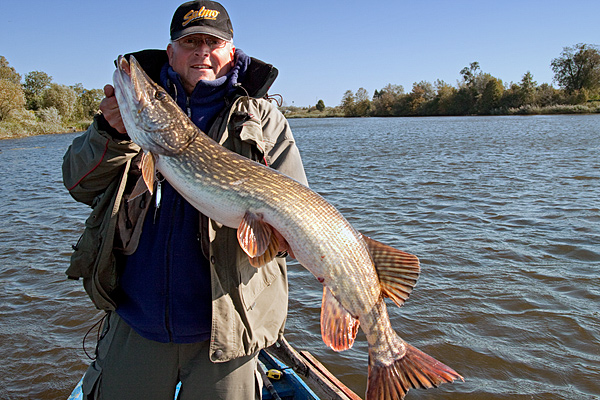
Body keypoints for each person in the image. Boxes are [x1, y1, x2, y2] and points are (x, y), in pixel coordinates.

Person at [62, 1, 307, 399]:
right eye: (190, 41)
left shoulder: (263, 118)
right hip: (136, 322)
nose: (202, 52)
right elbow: (79, 185)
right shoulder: (126, 123)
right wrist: (108, 132)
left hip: (227, 330)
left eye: (213, 42)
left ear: (231, 50)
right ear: (171, 52)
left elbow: (293, 207)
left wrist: (290, 241)